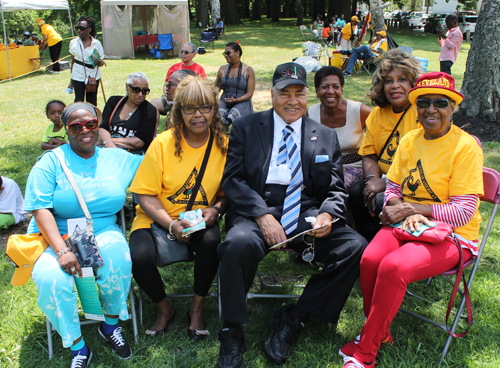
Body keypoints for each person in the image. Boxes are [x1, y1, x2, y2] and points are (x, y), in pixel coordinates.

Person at [216, 62, 368, 368]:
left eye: (300, 93)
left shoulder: (324, 135)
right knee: (237, 244)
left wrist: (327, 214)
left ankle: (295, 318)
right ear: (272, 94)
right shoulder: (247, 127)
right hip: (257, 206)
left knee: (354, 247)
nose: (293, 101)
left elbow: (336, 190)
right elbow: (232, 180)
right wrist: (261, 214)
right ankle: (231, 330)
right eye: (285, 93)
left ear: (306, 96)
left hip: (305, 207)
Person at [340, 72, 483, 368]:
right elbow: (392, 185)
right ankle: (378, 331)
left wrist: (412, 209)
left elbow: (463, 210)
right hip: (407, 222)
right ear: (416, 107)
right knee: (369, 260)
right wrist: (394, 205)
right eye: (423, 103)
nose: (431, 110)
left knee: (394, 267)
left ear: (452, 108)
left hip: (453, 234)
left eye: (440, 103)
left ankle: (366, 351)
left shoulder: (465, 147)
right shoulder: (410, 139)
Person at [24, 102, 142, 367]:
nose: (85, 131)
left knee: (117, 259)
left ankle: (110, 326)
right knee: (51, 278)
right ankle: (78, 346)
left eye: (90, 124)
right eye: (75, 127)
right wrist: (62, 251)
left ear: (98, 124)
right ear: (65, 130)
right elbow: (39, 209)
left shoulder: (117, 158)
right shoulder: (50, 162)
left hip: (101, 230)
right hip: (56, 236)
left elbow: (158, 166)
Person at [129, 76, 228, 340]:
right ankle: (164, 309)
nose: (198, 115)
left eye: (205, 107)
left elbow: (227, 193)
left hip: (199, 221)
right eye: (190, 108)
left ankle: (197, 308)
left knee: (212, 241)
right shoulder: (162, 143)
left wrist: (216, 210)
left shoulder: (224, 145)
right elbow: (143, 195)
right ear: (179, 111)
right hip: (156, 219)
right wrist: (171, 224)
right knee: (138, 257)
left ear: (214, 110)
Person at [348, 49, 423, 242]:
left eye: (402, 80)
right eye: (389, 81)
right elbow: (369, 154)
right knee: (358, 192)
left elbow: (424, 163)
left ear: (413, 83)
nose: (395, 86)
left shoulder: (423, 113)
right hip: (382, 176)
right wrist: (373, 181)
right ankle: (367, 243)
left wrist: (387, 183)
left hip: (414, 182)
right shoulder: (377, 114)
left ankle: (393, 243)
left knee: (383, 198)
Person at [306, 66, 372, 188]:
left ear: (342, 89)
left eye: (335, 87)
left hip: (355, 166)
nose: (330, 91)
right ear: (316, 90)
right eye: (325, 87)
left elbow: (381, 127)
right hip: (324, 168)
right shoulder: (310, 114)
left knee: (336, 185)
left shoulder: (358, 111)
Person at [99, 72, 158, 155]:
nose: (140, 94)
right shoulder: (114, 102)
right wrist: (110, 145)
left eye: (145, 91)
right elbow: (102, 128)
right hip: (108, 148)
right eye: (136, 90)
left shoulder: (149, 110)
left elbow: (139, 142)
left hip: (133, 154)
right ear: (127, 87)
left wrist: (108, 140)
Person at [214, 42, 255, 128]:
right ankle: (221, 137)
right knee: (220, 116)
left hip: (242, 100)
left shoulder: (248, 70)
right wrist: (218, 79)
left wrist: (236, 100)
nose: (226, 55)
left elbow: (249, 94)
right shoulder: (223, 69)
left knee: (233, 114)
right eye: (224, 53)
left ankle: (234, 135)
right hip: (225, 99)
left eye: (228, 53)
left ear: (237, 53)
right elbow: (216, 89)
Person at [68, 16, 105, 107]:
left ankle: (92, 119)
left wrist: (99, 62)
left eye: (82, 28)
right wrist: (71, 80)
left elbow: (101, 63)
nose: (79, 31)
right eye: (77, 28)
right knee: (78, 101)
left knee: (92, 101)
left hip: (93, 75)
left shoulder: (96, 43)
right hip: (78, 74)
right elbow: (73, 61)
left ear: (89, 29)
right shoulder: (73, 43)